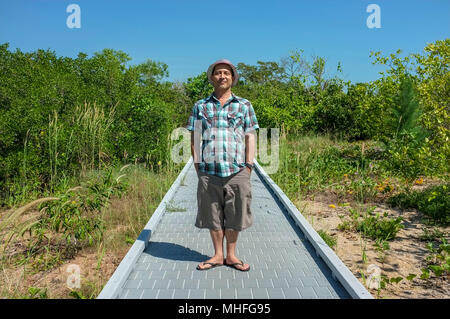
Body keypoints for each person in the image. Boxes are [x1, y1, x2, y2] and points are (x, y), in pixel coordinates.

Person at [185, 59, 259, 272]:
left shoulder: (244, 105)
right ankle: (217, 255)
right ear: (212, 78)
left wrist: (249, 166)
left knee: (236, 213)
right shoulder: (201, 106)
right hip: (209, 171)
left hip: (237, 170)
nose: (222, 76)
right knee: (213, 214)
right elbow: (195, 137)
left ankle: (232, 255)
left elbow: (250, 136)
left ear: (233, 78)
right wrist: (198, 167)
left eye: (226, 73)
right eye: (218, 73)